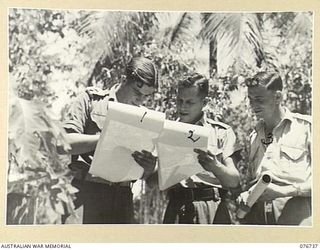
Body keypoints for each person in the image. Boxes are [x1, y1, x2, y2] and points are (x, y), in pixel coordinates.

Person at [57, 57, 158, 224]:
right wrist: (105, 139)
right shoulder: (91, 100)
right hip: (86, 193)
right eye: (137, 93)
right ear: (124, 79)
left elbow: (151, 177)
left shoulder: (144, 118)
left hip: (122, 198)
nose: (140, 101)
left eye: (145, 97)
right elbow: (62, 144)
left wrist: (149, 166)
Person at [133, 73, 241, 224]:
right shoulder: (166, 132)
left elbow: (234, 181)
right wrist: (150, 169)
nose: (182, 107)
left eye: (190, 102)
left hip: (212, 209)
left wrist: (215, 166)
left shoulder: (221, 132)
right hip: (177, 207)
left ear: (205, 102)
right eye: (179, 101)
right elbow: (153, 182)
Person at [238, 70, 312, 225]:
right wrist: (246, 194)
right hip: (260, 220)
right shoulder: (254, 136)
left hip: (297, 217)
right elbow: (255, 180)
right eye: (251, 99)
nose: (253, 105)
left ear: (277, 97)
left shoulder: (307, 128)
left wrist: (285, 191)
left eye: (259, 99)